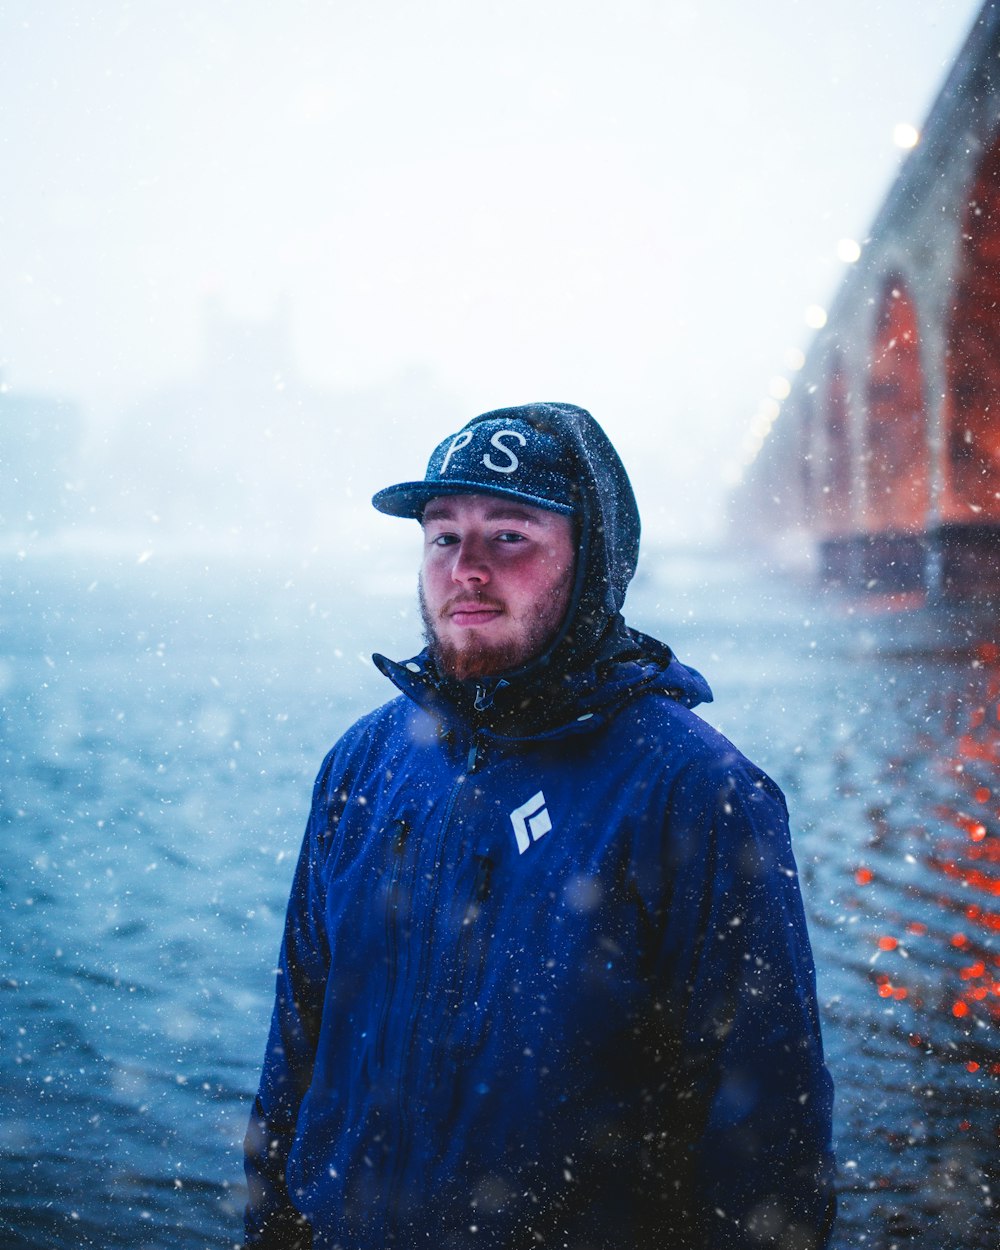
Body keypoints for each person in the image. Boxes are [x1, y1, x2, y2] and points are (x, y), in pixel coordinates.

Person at [243, 402, 836, 1249]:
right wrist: (269, 1227)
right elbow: (294, 1050)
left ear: (590, 561)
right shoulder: (365, 766)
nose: (467, 568)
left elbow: (768, 1134)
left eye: (509, 536)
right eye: (443, 537)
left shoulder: (695, 793)